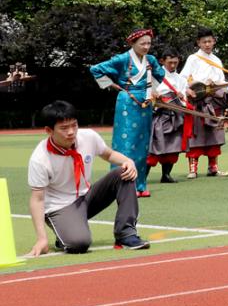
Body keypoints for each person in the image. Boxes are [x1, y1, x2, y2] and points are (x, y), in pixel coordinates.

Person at [27, 101, 149, 255]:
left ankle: (126, 234)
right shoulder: (40, 158)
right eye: (64, 128)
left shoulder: (89, 136)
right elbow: (37, 199)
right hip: (60, 207)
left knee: (123, 172)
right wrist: (41, 239)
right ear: (48, 130)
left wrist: (128, 161)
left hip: (87, 196)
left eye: (74, 125)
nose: (71, 132)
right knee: (79, 244)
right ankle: (64, 234)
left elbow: (109, 154)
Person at [89, 28, 166, 198]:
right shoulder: (123, 58)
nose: (146, 47)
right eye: (142, 43)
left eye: (149, 43)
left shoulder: (151, 60)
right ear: (132, 43)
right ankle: (119, 185)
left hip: (145, 102)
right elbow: (96, 69)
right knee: (125, 143)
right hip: (127, 101)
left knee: (142, 143)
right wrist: (111, 84)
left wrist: (153, 90)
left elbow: (160, 74)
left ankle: (140, 184)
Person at [180, 28, 228, 179]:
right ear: (198, 43)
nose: (208, 44)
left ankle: (213, 167)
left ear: (214, 41)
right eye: (204, 42)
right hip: (198, 101)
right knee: (197, 134)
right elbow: (183, 79)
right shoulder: (193, 58)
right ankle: (193, 168)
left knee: (215, 135)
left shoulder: (217, 60)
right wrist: (195, 86)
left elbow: (222, 84)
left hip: (215, 101)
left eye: (210, 41)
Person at [147, 49, 187, 183]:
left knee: (173, 147)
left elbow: (184, 99)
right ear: (162, 61)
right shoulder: (153, 76)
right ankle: (143, 176)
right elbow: (148, 93)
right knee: (153, 146)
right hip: (159, 115)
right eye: (170, 62)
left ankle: (166, 175)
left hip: (176, 117)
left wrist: (182, 96)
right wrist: (154, 95)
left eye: (175, 62)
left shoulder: (181, 79)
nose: (173, 65)